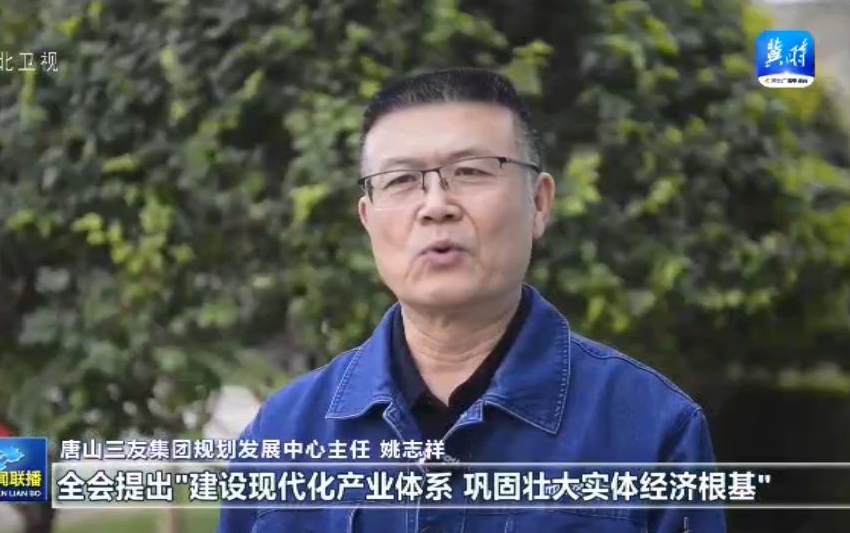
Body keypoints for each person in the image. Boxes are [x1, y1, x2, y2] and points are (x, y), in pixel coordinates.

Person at [216, 68, 725, 533]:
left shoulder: (653, 428)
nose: (436, 205)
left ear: (539, 202)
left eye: (473, 171)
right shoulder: (281, 434)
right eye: (401, 180)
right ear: (368, 220)